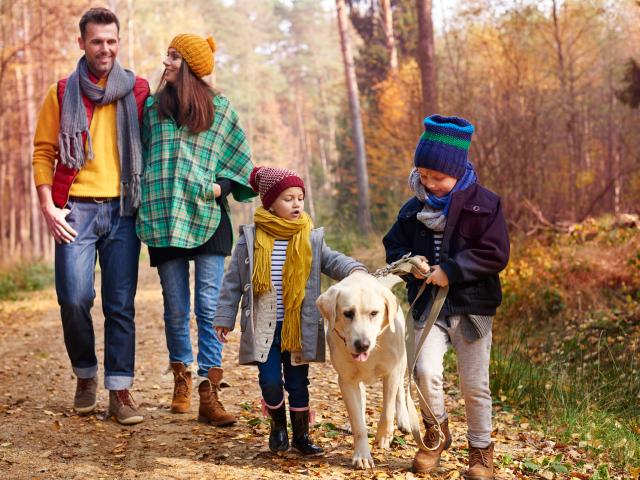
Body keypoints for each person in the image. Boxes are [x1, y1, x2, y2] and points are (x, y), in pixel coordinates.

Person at [31, 8, 149, 425]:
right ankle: (85, 374)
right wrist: (48, 205)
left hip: (123, 209)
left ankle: (120, 391)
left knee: (121, 305)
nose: (106, 48)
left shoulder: (137, 90)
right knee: (74, 298)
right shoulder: (62, 91)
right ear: (82, 43)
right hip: (74, 209)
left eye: (112, 41)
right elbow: (44, 151)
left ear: (119, 42)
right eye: (97, 41)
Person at [136, 33, 255, 426]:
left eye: (173, 56)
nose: (165, 61)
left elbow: (240, 160)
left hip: (208, 217)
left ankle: (209, 388)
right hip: (164, 216)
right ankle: (181, 376)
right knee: (175, 308)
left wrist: (219, 186)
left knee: (207, 305)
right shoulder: (152, 107)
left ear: (189, 65)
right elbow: (141, 155)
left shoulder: (220, 109)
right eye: (167, 54)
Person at [383, 115, 510, 479]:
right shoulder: (412, 210)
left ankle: (480, 452)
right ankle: (435, 435)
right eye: (423, 175)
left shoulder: (486, 205)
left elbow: (495, 252)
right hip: (428, 307)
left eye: (438, 177)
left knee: (475, 385)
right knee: (424, 370)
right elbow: (393, 246)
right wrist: (410, 264)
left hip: (472, 308)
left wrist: (451, 271)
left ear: (458, 171)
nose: (429, 184)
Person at [213, 166, 366, 455]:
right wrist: (224, 317)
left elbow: (333, 261)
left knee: (298, 382)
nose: (296, 204)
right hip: (263, 324)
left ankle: (301, 436)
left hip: (298, 325)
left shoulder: (310, 238)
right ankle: (278, 426)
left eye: (300, 197)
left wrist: (357, 270)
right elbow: (232, 281)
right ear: (269, 203)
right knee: (270, 381)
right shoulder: (250, 239)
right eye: (288, 198)